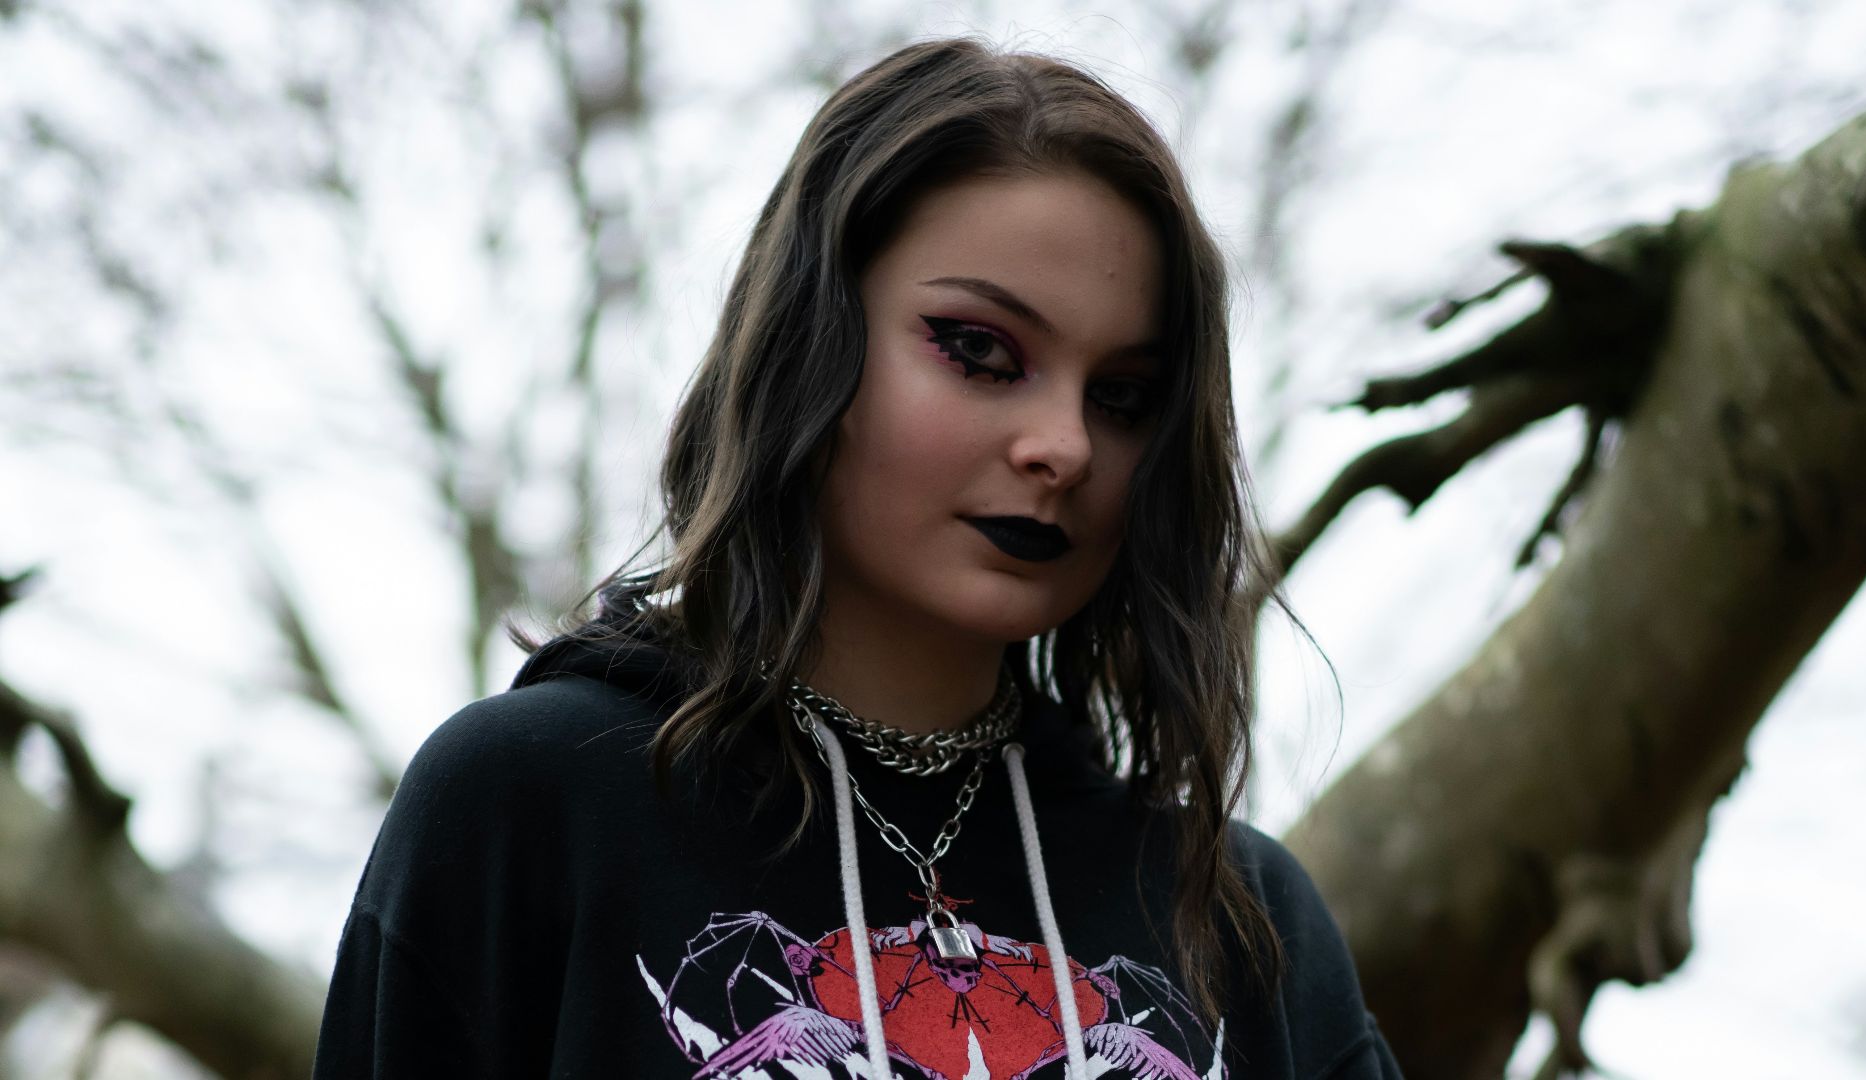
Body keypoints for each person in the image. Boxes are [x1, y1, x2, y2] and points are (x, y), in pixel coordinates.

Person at [314, 35, 1402, 1080]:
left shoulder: (1234, 918)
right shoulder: (533, 806)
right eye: (980, 352)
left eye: (1121, 398)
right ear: (811, 343)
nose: (1065, 447)